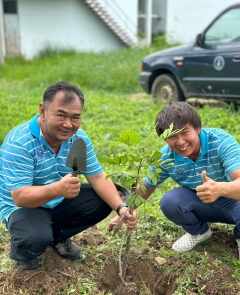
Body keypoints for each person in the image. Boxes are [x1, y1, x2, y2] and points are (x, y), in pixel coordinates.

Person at [0, 81, 137, 270]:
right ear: (43, 111)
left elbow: (97, 176)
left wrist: (121, 208)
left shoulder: (78, 140)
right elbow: (20, 197)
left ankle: (57, 237)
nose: (68, 124)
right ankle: (23, 253)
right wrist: (57, 189)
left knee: (109, 197)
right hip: (24, 207)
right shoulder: (20, 143)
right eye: (61, 115)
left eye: (75, 117)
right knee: (34, 237)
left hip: (58, 200)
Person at [137, 101, 240, 257]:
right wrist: (124, 210)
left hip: (233, 201)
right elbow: (147, 185)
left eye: (185, 133)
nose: (180, 142)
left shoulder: (221, 142)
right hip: (200, 203)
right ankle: (199, 232)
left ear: (198, 128)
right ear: (164, 138)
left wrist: (220, 189)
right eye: (172, 136)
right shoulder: (166, 157)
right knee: (170, 201)